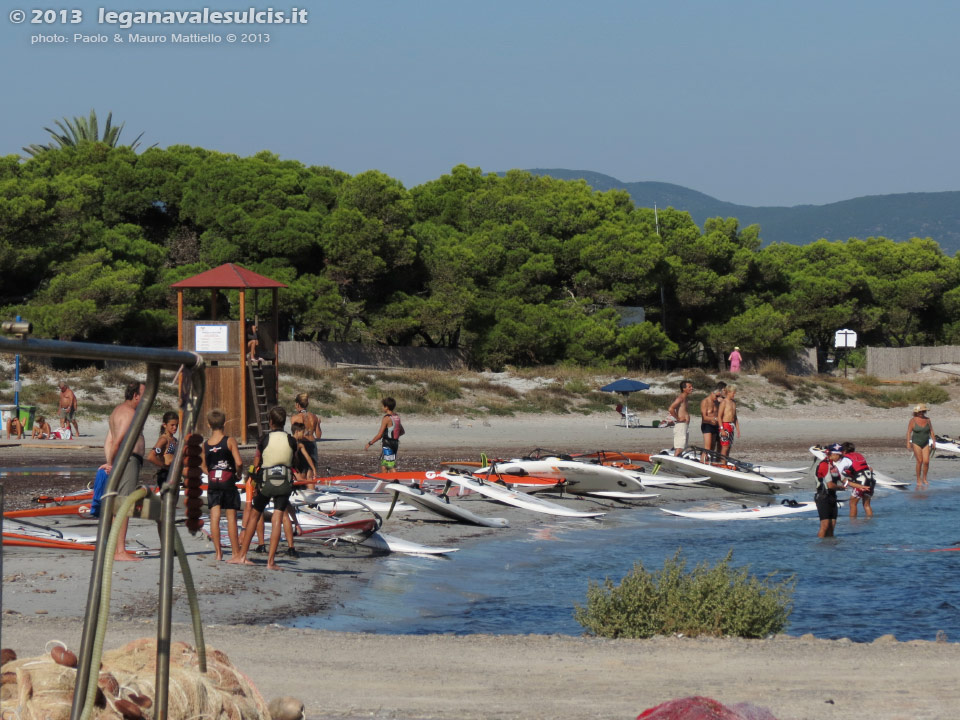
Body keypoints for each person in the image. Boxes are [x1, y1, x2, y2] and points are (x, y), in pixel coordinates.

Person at [230, 406, 299, 569]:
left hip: (267, 482)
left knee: (254, 515)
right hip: (285, 482)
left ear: (271, 421)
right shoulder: (291, 440)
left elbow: (256, 462)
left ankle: (242, 555)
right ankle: (271, 562)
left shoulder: (264, 439)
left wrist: (252, 478)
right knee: (278, 518)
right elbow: (295, 462)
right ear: (284, 422)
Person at [104, 381, 146, 562]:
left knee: (118, 505)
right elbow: (118, 440)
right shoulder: (128, 413)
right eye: (144, 396)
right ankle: (120, 550)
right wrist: (113, 463)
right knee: (124, 505)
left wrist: (109, 462)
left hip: (123, 460)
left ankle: (115, 548)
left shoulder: (116, 411)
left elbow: (109, 440)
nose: (146, 400)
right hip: (127, 460)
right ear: (136, 396)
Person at [202, 409, 243, 561]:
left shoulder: (205, 444)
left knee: (215, 516)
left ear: (208, 424)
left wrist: (211, 473)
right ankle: (235, 552)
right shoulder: (229, 440)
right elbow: (238, 462)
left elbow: (203, 466)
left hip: (213, 481)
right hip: (228, 480)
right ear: (224, 423)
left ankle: (218, 553)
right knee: (231, 516)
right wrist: (238, 473)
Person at [815, 442, 846, 538]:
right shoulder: (824, 465)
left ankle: (830, 549)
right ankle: (819, 546)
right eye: (840, 455)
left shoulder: (833, 466)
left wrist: (860, 486)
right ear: (833, 454)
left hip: (832, 497)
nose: (841, 458)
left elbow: (844, 480)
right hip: (823, 497)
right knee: (825, 526)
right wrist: (840, 487)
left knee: (832, 527)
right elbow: (830, 485)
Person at [365, 397, 403, 470]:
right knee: (384, 464)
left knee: (390, 465)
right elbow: (401, 431)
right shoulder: (396, 417)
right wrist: (393, 438)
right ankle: (386, 480)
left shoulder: (386, 418)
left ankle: (396, 479)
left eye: (383, 406)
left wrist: (370, 443)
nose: (382, 407)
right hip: (395, 443)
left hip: (387, 444)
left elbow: (379, 435)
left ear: (387, 407)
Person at [839, 441, 875, 519]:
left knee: (852, 503)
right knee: (866, 505)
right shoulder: (859, 456)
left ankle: (853, 522)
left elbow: (838, 471)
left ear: (844, 451)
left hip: (861, 482)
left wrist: (844, 481)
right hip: (870, 481)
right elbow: (870, 468)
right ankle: (870, 521)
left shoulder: (845, 459)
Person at [146, 411, 179, 487]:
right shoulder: (164, 439)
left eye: (177, 425)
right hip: (165, 474)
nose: (175, 427)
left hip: (173, 473)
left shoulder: (174, 439)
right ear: (165, 425)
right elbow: (151, 456)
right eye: (172, 425)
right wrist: (164, 466)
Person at [291, 392, 321, 470]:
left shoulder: (295, 418)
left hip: (302, 443)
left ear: (297, 405)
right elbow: (318, 436)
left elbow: (295, 435)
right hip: (312, 444)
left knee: (302, 471)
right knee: (311, 470)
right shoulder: (314, 417)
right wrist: (318, 424)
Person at [906, 403, 933, 490]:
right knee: (919, 461)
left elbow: (931, 431)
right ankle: (918, 479)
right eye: (920, 412)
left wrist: (934, 441)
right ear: (916, 412)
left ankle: (924, 478)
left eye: (923, 411)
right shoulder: (912, 420)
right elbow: (909, 432)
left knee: (926, 461)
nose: (921, 413)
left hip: (926, 442)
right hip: (916, 442)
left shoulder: (928, 420)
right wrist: (908, 443)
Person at [699, 382, 726, 463]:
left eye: (719, 395)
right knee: (707, 446)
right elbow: (704, 417)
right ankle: (702, 461)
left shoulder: (717, 402)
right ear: (712, 393)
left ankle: (711, 461)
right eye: (716, 396)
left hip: (715, 426)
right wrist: (714, 418)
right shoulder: (705, 401)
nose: (717, 397)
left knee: (713, 446)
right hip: (707, 425)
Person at [667, 380, 694, 456]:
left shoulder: (686, 398)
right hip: (681, 425)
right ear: (684, 389)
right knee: (679, 448)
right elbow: (671, 408)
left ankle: (678, 461)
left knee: (683, 447)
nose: (692, 388)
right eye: (689, 387)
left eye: (691, 386)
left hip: (685, 426)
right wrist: (678, 418)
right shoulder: (681, 398)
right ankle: (674, 463)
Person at [290, 421, 318, 488]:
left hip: (295, 466)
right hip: (290, 466)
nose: (303, 435)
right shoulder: (289, 442)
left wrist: (314, 469)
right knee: (301, 479)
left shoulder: (300, 444)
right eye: (302, 432)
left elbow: (308, 457)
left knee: (306, 478)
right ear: (297, 431)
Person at [717, 384, 740, 458]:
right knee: (725, 446)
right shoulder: (724, 402)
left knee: (729, 446)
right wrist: (722, 429)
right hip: (725, 425)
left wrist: (738, 429)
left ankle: (725, 463)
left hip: (731, 426)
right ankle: (723, 463)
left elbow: (735, 417)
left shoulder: (733, 402)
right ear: (729, 392)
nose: (734, 394)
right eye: (733, 392)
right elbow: (719, 417)